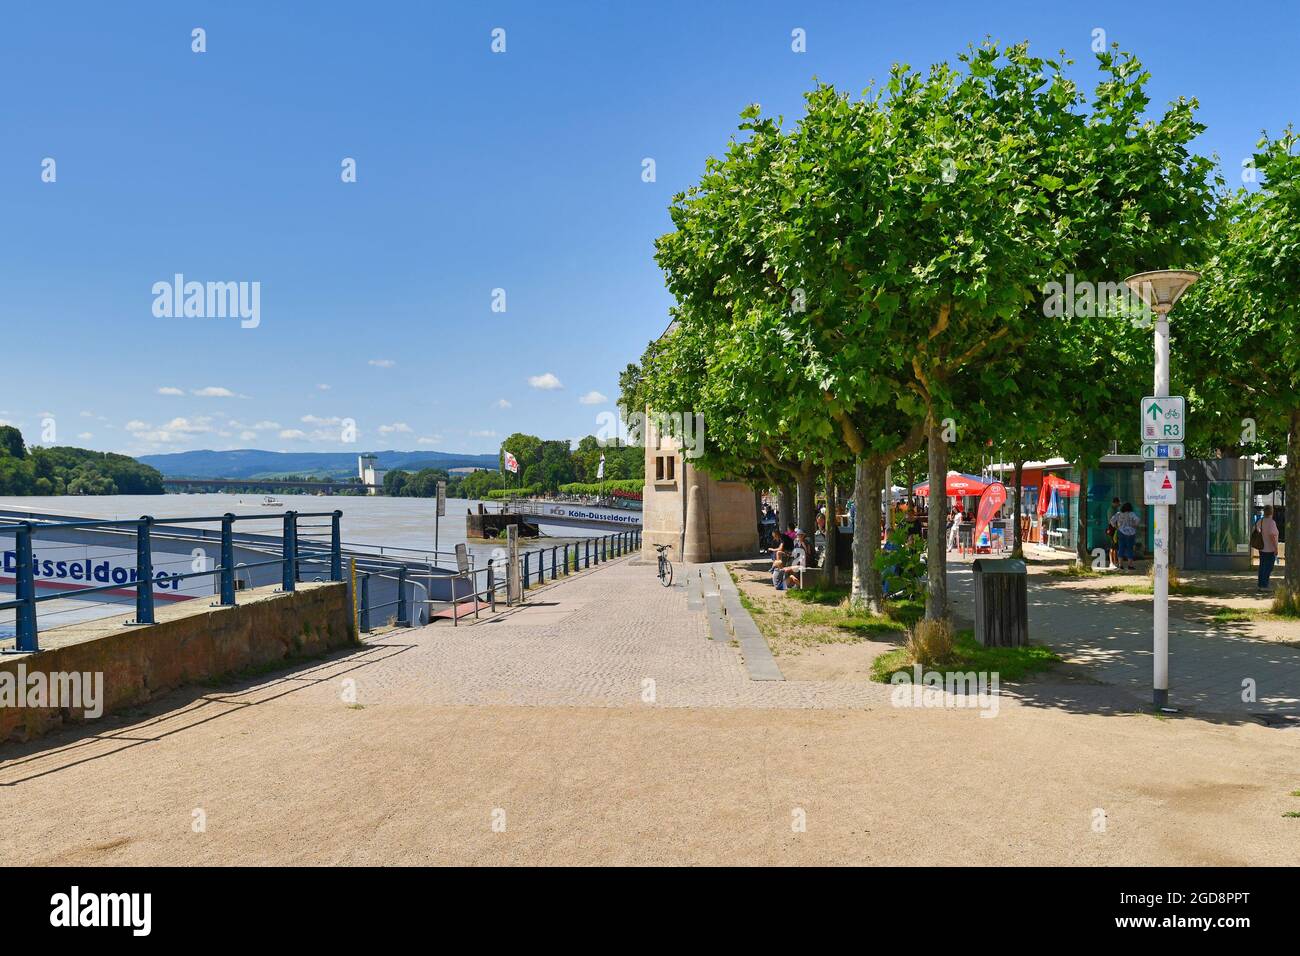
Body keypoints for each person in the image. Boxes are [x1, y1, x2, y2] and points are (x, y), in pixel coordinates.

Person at [1254, 505, 1280, 591]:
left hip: (1262, 548)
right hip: (1270, 549)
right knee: (1268, 568)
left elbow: (1256, 529)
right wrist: (1276, 548)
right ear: (1271, 512)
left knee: (1262, 566)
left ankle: (1260, 585)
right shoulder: (1272, 522)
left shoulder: (1260, 521)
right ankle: (1264, 586)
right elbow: (1272, 535)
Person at [1110, 502, 1140, 571]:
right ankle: (1130, 565)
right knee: (1130, 548)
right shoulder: (1132, 514)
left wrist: (1116, 526)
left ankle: (1120, 565)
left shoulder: (1119, 514)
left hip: (1121, 532)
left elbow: (1111, 521)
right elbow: (1137, 520)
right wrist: (1134, 525)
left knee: (1121, 548)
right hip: (1131, 533)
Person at [1106, 497, 1121, 570]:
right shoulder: (1111, 510)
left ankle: (1115, 562)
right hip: (1112, 529)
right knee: (1112, 546)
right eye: (1118, 503)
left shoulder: (1115, 509)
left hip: (1115, 529)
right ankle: (1111, 562)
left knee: (1115, 546)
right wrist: (1116, 527)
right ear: (1115, 502)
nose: (1119, 505)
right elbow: (1111, 521)